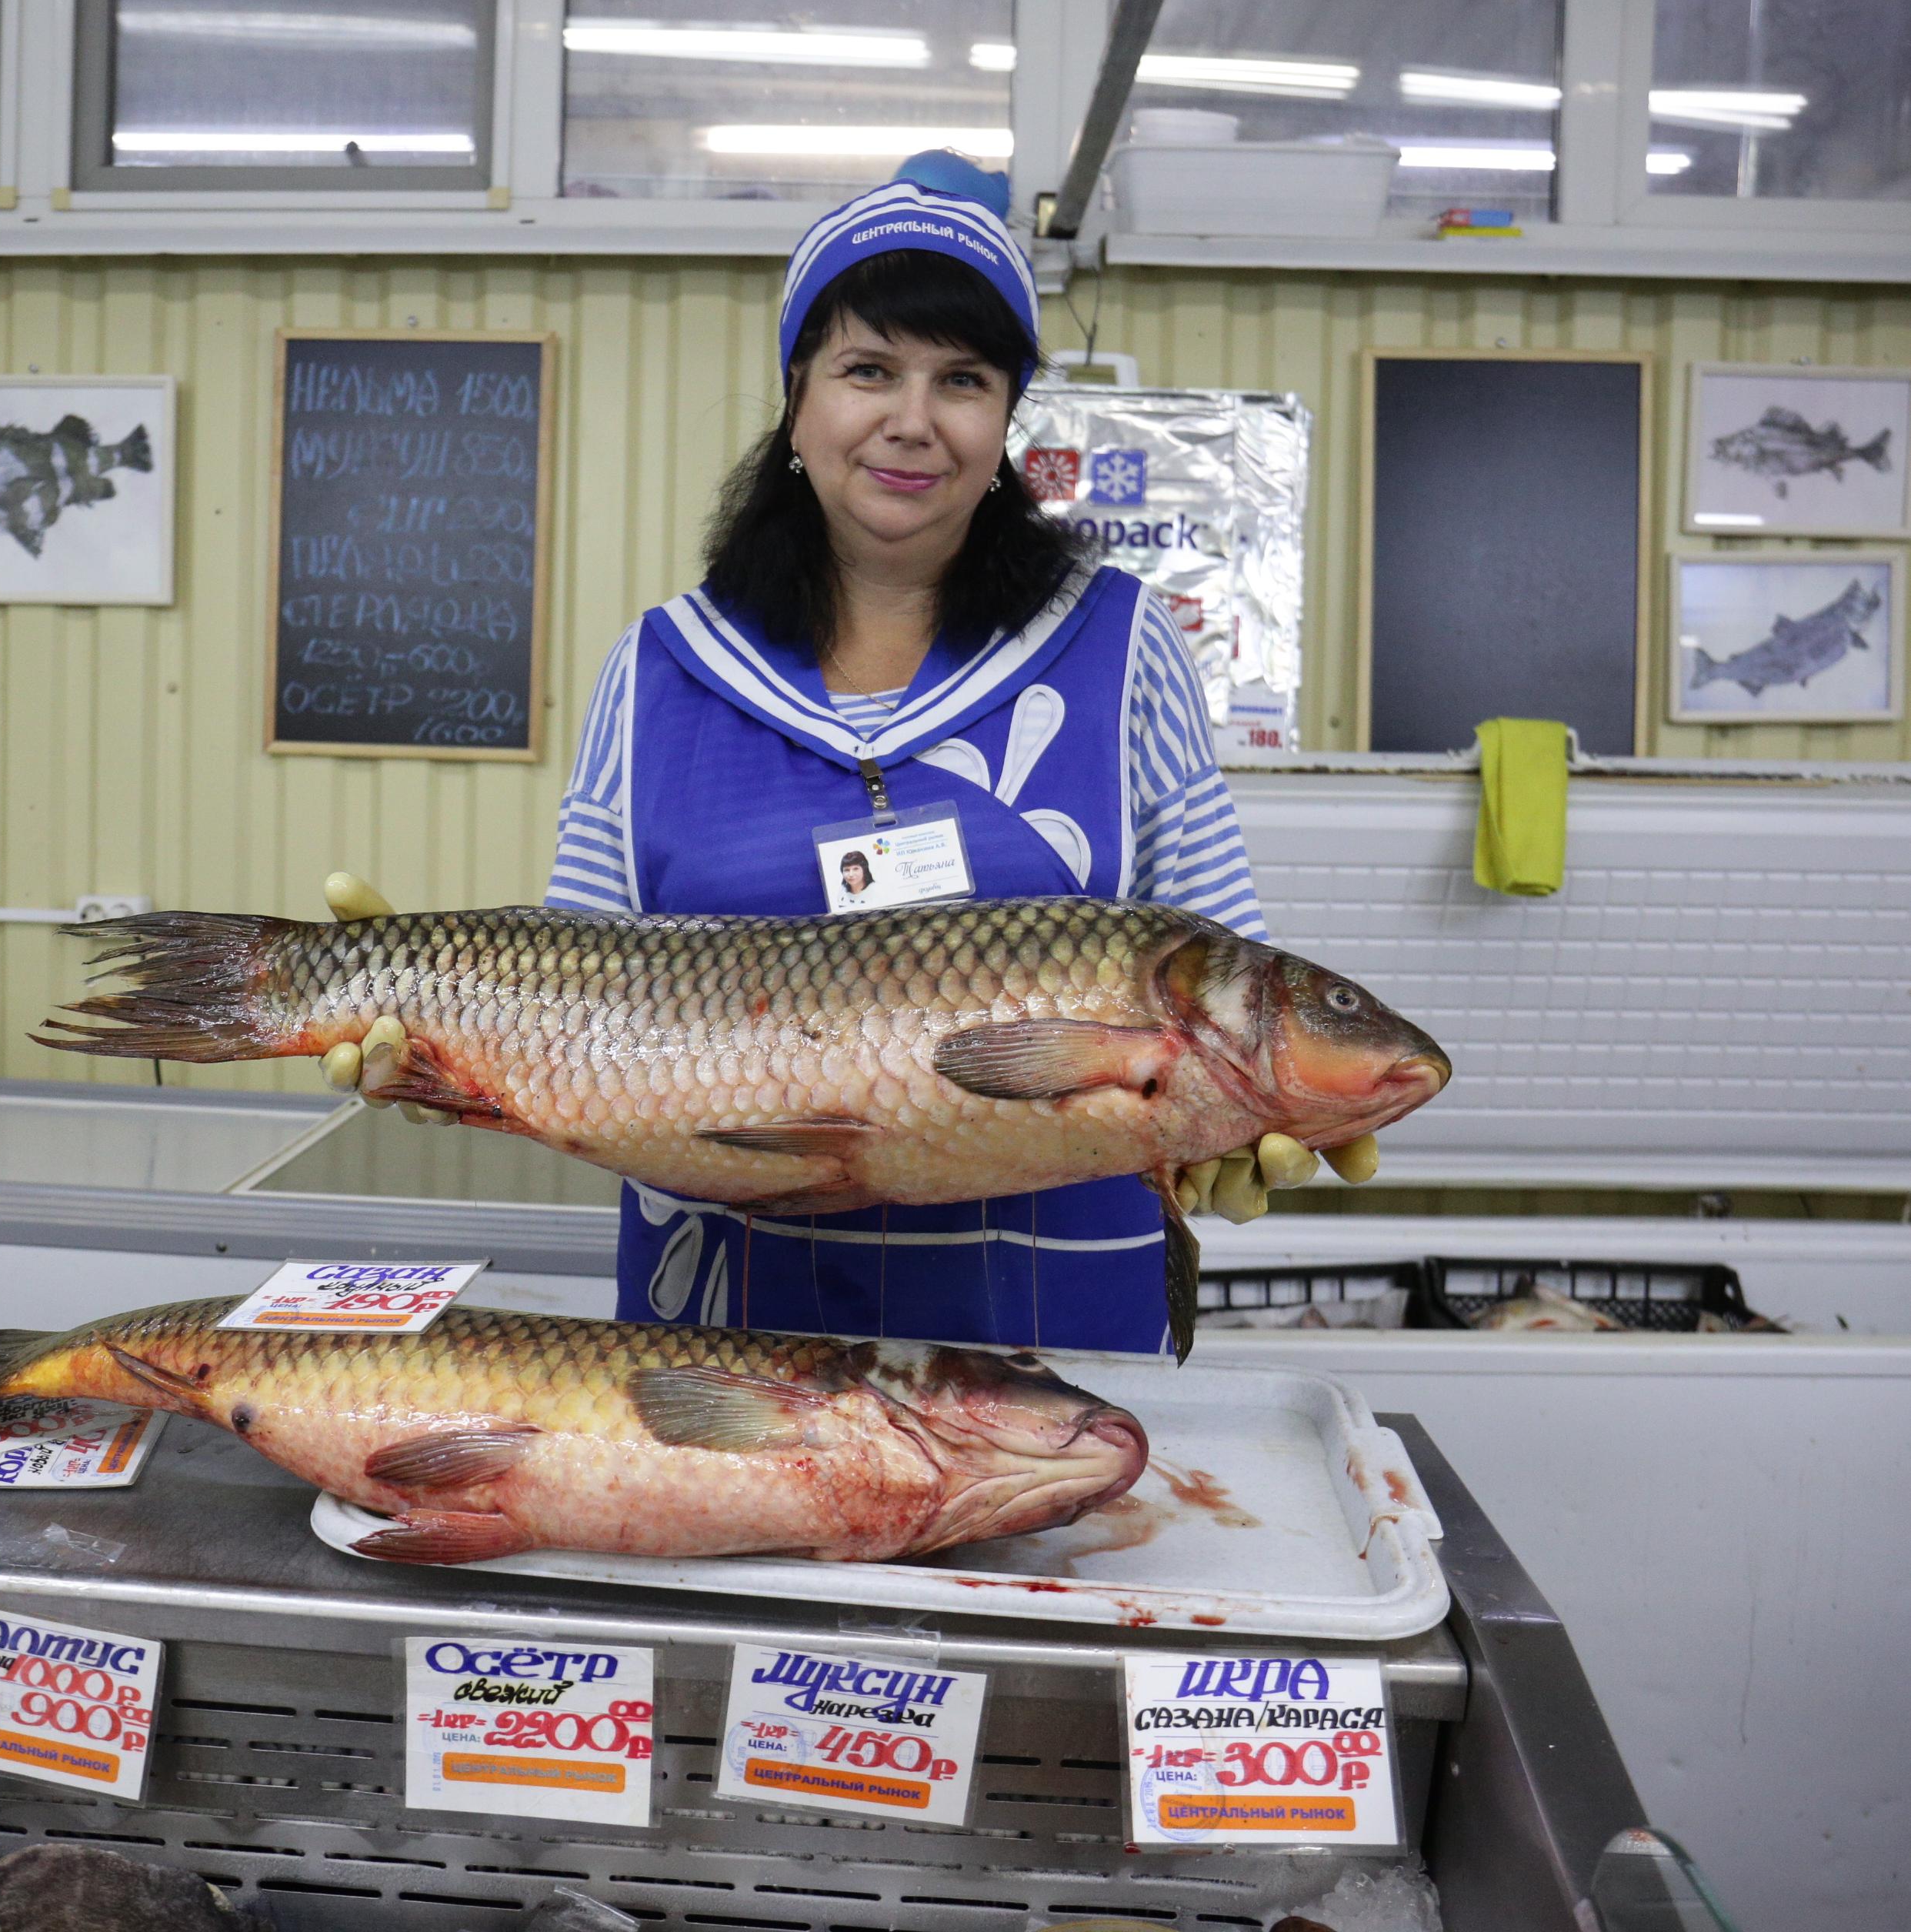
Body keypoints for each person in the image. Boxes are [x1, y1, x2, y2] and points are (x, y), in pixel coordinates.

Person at [318, 157, 1375, 1353]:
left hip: (1050, 1318)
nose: (912, 421)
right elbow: (584, 1004)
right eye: (867, 369)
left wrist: (1233, 1133)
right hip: (725, 1320)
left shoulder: (1121, 648)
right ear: (797, 400)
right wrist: (442, 1035)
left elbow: (1216, 980)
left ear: (1007, 420)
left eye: (962, 380)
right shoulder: (660, 672)